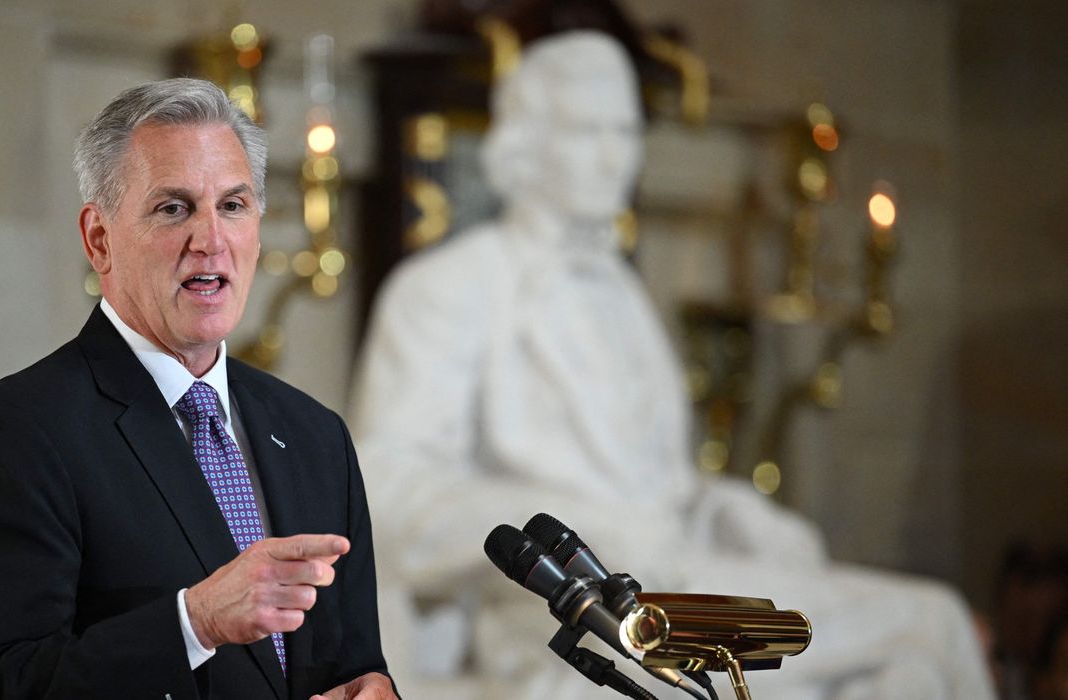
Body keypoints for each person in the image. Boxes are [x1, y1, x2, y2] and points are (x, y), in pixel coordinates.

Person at [351, 31, 994, 699]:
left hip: (681, 579)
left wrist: (722, 507)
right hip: (568, 616)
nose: (612, 158)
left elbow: (660, 489)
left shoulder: (621, 292)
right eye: (585, 131)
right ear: (524, 140)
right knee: (933, 625)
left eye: (625, 131)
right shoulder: (447, 288)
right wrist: (578, 525)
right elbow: (390, 495)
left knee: (907, 673)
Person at [0, 78, 395, 700]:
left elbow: (356, 666)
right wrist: (193, 623)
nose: (211, 240)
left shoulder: (314, 433)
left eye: (233, 205)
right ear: (99, 239)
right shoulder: (8, 434)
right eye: (174, 208)